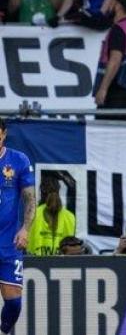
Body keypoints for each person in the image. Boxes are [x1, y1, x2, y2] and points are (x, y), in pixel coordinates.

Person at [0, 117, 36, 335]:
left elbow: (30, 198)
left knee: (14, 304)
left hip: (9, 242)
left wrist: (26, 228)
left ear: (3, 134)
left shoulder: (18, 160)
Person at [92, 0, 126, 121]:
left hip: (116, 91)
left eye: (112, 1)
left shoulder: (118, 29)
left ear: (117, 5)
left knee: (102, 131)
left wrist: (103, 89)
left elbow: (115, 60)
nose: (109, 4)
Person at [27, 173, 76, 256]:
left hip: (34, 265)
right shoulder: (70, 217)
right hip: (61, 267)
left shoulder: (32, 214)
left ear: (41, 191)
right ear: (59, 190)